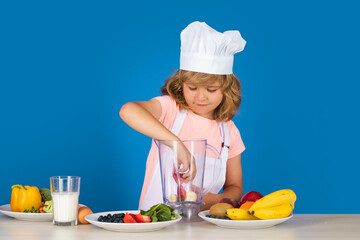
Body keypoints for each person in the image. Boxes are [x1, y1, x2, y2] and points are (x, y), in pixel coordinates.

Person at [120, 21, 246, 211]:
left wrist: (211, 199)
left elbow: (235, 187)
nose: (200, 96)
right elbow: (127, 111)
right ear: (181, 83)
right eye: (192, 88)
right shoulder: (171, 110)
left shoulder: (229, 132)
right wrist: (175, 143)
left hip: (204, 227)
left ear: (227, 90)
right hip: (155, 225)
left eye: (211, 89)